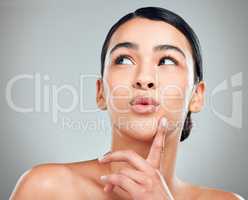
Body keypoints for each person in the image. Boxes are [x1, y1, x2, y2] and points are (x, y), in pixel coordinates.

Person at [10, 7, 244, 200]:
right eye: (124, 59)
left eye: (166, 60)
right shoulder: (47, 189)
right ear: (100, 93)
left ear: (197, 96)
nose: (144, 78)